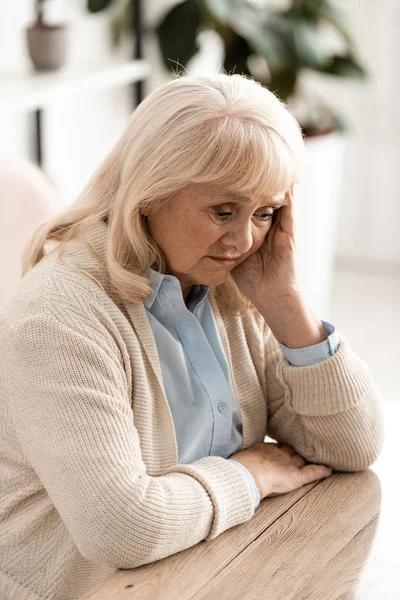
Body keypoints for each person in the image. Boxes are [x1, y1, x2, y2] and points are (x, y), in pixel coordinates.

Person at [0, 73, 384, 600]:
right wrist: (249, 477)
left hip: (213, 567)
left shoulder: (225, 285)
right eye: (223, 211)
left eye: (265, 213)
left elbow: (350, 447)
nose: (245, 239)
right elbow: (123, 530)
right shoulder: (57, 320)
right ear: (149, 194)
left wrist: (287, 304)